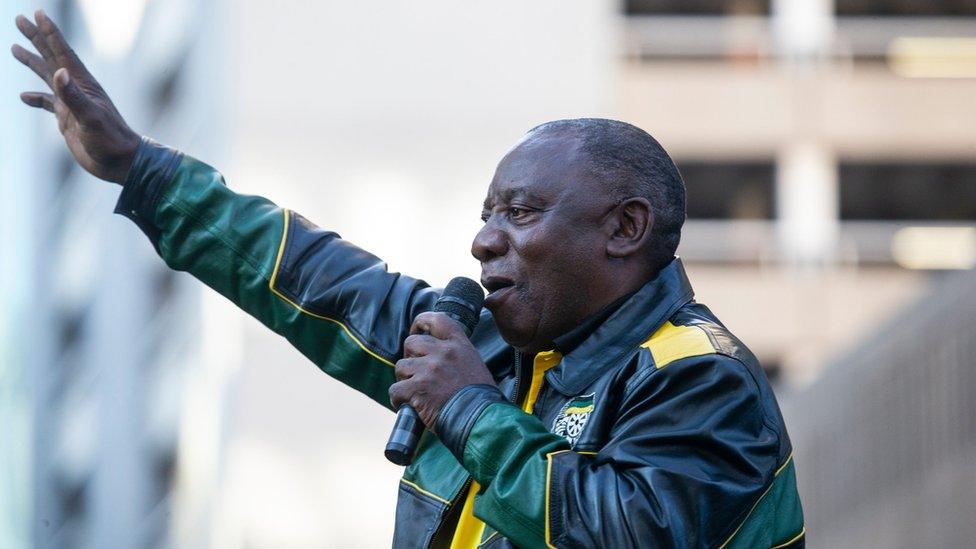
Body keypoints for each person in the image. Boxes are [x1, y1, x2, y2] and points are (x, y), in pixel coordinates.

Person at [12, 10, 804, 548]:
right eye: (487, 212)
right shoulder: (485, 346)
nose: (484, 240)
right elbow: (312, 279)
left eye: (520, 213)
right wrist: (142, 171)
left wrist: (467, 408)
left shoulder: (699, 374)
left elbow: (628, 533)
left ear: (624, 229)